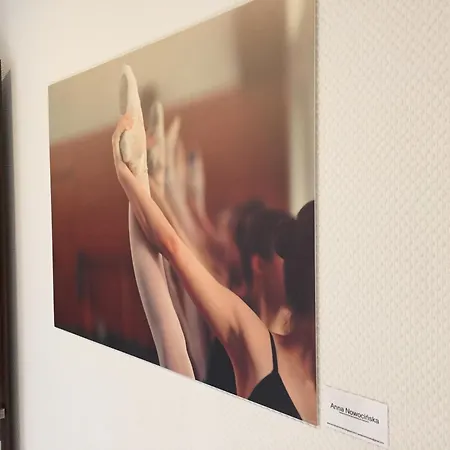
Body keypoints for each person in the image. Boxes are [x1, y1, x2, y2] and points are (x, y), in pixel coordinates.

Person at [113, 112, 317, 423]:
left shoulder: (335, 385)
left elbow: (190, 239)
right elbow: (179, 244)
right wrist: (138, 178)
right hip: (207, 389)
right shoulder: (254, 338)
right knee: (172, 316)